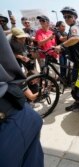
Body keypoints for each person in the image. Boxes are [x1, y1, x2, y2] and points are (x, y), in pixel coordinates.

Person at [0, 26, 44, 167]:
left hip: (14, 99)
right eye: (21, 37)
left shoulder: (22, 43)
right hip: (12, 109)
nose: (24, 39)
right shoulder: (10, 43)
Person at [54, 7, 79, 111]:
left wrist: (61, 46)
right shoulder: (77, 26)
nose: (66, 19)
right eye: (64, 17)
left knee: (74, 84)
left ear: (75, 17)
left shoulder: (75, 27)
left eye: (69, 16)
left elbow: (76, 38)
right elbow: (71, 37)